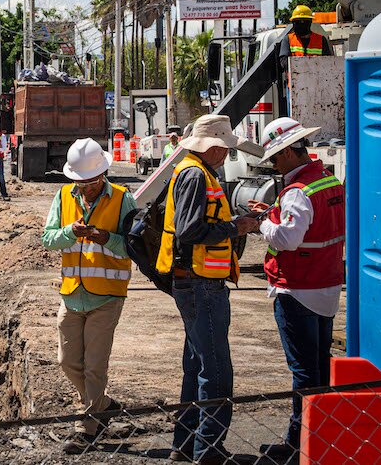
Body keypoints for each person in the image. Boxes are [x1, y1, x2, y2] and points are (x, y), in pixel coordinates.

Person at [156, 114, 260, 464]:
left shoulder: (194, 171)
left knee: (197, 364)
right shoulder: (196, 175)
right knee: (215, 369)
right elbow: (189, 230)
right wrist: (236, 227)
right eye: (225, 147)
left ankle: (186, 444)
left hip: (195, 281)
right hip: (200, 283)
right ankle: (209, 450)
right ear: (213, 147)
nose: (227, 153)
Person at [247, 118, 344, 462]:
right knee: (319, 364)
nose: (274, 165)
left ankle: (299, 443)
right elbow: (313, 223)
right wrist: (274, 212)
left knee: (304, 371)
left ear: (288, 152)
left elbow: (288, 238)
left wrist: (262, 223)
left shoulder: (298, 191)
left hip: (298, 289)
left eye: (274, 158)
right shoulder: (327, 179)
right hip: (326, 285)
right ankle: (319, 436)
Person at [41, 138, 136, 454]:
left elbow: (134, 247)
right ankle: (103, 405)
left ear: (102, 174)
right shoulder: (63, 196)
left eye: (91, 183)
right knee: (67, 361)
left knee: (95, 367)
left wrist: (105, 237)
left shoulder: (123, 199)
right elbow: (48, 239)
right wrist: (70, 232)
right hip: (72, 293)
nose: (86, 189)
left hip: (106, 296)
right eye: (80, 183)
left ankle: (87, 428)